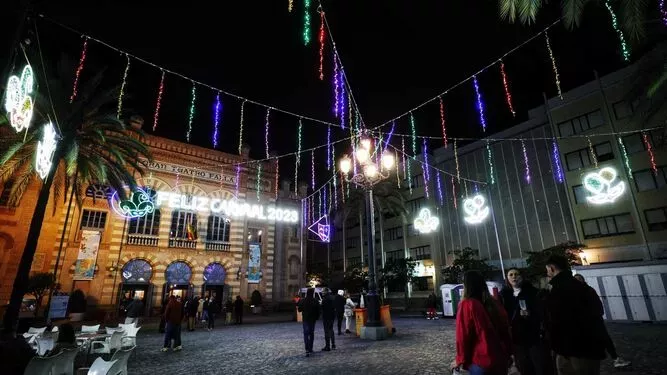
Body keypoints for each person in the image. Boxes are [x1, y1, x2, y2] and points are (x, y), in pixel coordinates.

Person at [545, 255, 605, 375]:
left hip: (574, 350)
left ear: (551, 268)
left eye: (547, 270)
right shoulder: (583, 287)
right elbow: (598, 311)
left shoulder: (558, 290)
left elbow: (557, 321)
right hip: (588, 347)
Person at [454, 270, 512, 375]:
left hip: (481, 359)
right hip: (500, 358)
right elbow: (505, 329)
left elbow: (463, 336)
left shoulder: (468, 304)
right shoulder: (494, 303)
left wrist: (460, 359)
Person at [573, 274, 631, 369]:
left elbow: (596, 305)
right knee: (601, 340)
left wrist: (596, 314)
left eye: (579, 279)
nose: (578, 281)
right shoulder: (581, 292)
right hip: (589, 321)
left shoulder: (588, 291)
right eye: (576, 280)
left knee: (605, 339)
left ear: (583, 280)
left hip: (595, 320)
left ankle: (615, 358)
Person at [500, 268, 543, 375]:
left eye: (516, 274)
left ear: (522, 277)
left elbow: (541, 312)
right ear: (507, 278)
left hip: (533, 335)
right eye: (511, 275)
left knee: (538, 365)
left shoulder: (533, 292)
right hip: (516, 337)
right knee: (523, 366)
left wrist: (531, 314)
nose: (514, 277)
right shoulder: (503, 295)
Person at [298, 287, 320, 357]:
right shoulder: (315, 300)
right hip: (312, 319)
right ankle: (310, 348)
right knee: (311, 333)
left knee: (306, 334)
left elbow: (299, 310)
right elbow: (319, 310)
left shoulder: (303, 300)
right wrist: (317, 317)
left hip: (306, 319)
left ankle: (307, 349)